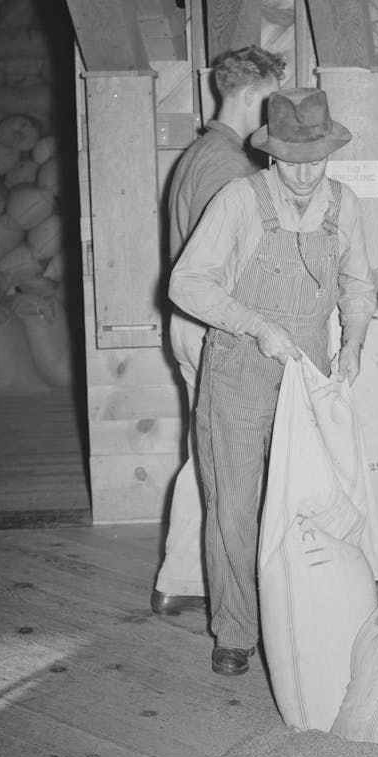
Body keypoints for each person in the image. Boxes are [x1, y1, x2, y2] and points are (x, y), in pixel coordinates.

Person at [169, 87, 376, 675]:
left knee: (301, 503)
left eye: (315, 160)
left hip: (305, 375)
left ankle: (299, 618)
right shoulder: (239, 199)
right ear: (269, 154)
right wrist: (257, 326)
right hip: (236, 368)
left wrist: (354, 341)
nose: (305, 175)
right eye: (291, 161)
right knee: (234, 504)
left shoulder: (345, 205)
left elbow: (358, 285)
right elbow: (186, 284)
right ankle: (235, 630)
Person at [151, 45, 286, 616]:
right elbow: (225, 266)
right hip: (214, 329)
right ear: (254, 95)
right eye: (273, 97)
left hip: (193, 325)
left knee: (204, 455)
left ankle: (179, 577)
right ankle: (204, 579)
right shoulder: (227, 165)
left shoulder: (202, 152)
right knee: (226, 462)